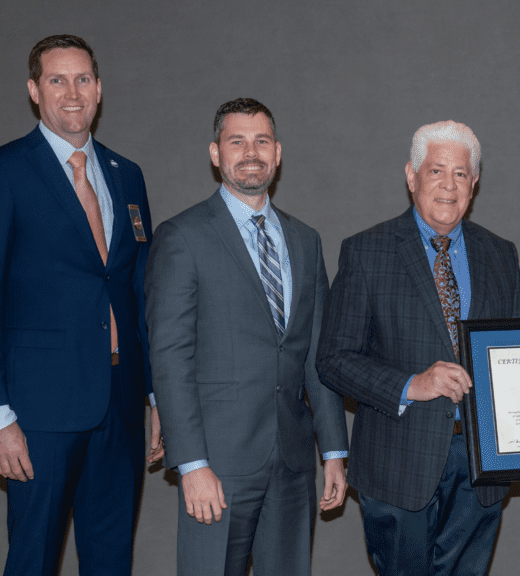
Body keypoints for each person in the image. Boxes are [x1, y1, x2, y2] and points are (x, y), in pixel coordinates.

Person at [0, 34, 162, 575]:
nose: (73, 92)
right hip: (37, 410)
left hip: (119, 403)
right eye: (57, 79)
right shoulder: (1, 171)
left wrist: (156, 392)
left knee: (112, 558)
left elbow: (140, 292)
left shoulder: (127, 174)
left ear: (99, 88)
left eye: (84, 79)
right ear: (33, 90)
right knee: (33, 560)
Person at [145, 98, 349, 576]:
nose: (250, 152)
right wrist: (191, 464)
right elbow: (169, 356)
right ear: (216, 153)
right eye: (236, 141)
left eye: (261, 141)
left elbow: (318, 353)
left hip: (293, 463)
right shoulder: (182, 236)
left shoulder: (305, 240)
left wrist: (334, 450)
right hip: (217, 465)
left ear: (277, 153)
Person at [316, 120, 520, 576]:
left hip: (480, 466)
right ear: (411, 176)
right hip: (397, 464)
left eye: (460, 173)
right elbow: (333, 360)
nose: (448, 185)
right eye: (436, 171)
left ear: (475, 182)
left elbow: (516, 359)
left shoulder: (500, 254)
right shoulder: (367, 252)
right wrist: (413, 384)